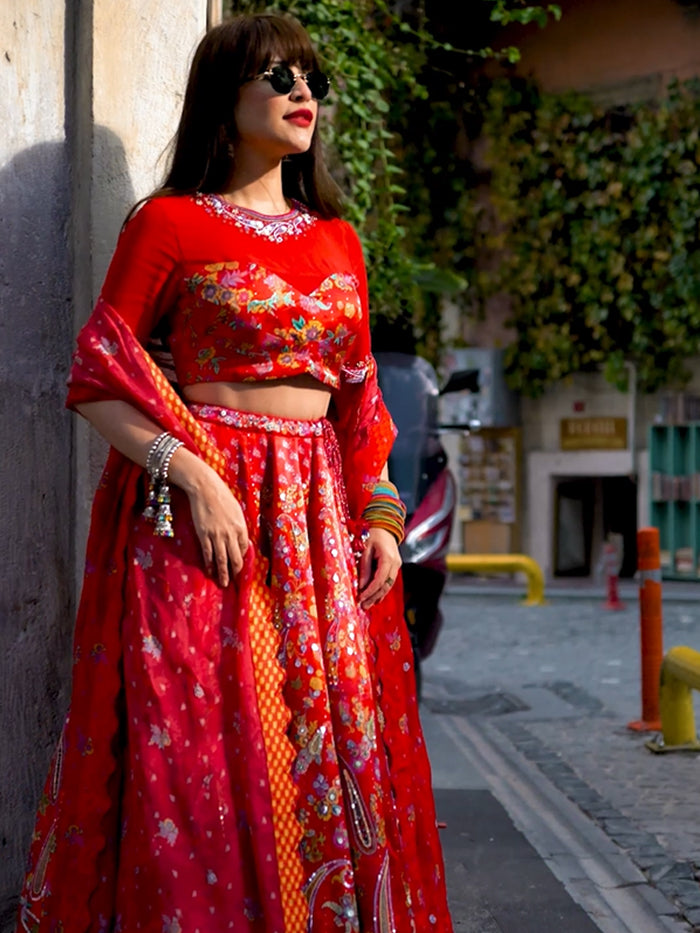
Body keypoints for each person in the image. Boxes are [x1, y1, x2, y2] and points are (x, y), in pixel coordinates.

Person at [17, 12, 453, 933]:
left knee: (320, 751)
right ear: (225, 99)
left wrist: (380, 516)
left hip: (317, 534)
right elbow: (98, 376)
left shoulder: (338, 240)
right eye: (278, 76)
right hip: (202, 527)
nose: (304, 94)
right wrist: (193, 476)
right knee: (201, 756)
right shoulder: (168, 224)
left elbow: (359, 405)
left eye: (312, 80)